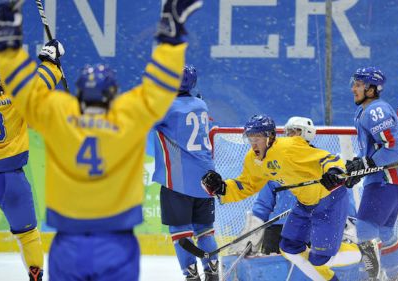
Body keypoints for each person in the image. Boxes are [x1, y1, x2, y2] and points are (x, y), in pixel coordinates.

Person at [0, 0, 202, 279]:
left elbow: (23, 88)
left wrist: (8, 44)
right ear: (114, 92)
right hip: (117, 242)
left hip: (69, 242)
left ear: (80, 93)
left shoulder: (58, 114)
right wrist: (171, 39)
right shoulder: (127, 115)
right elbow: (161, 85)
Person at [201, 114, 360, 281]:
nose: (253, 143)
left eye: (258, 138)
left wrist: (334, 171)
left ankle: (362, 251)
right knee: (289, 247)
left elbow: (328, 158)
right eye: (250, 138)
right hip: (306, 204)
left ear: (270, 137)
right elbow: (247, 184)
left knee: (321, 258)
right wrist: (222, 188)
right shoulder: (253, 159)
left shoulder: (289, 147)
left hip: (329, 200)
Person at [346, 67, 398, 281]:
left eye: (358, 85)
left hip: (388, 178)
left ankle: (370, 275)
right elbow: (373, 149)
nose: (353, 89)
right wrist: (360, 166)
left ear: (371, 88)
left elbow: (394, 148)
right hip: (391, 178)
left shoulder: (377, 111)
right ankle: (396, 275)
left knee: (364, 228)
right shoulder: (365, 110)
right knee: (384, 230)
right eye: (354, 84)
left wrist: (367, 163)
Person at [152, 65, 219, 281]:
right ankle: (213, 271)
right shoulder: (201, 104)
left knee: (180, 231)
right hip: (207, 179)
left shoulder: (165, 107)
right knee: (205, 230)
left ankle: (191, 275)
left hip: (178, 182)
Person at [230, 116, 316, 255]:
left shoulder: (318, 161)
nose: (291, 135)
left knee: (309, 271)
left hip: (309, 226)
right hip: (277, 228)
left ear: (308, 133)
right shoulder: (274, 163)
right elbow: (263, 204)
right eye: (288, 131)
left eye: (296, 131)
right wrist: (254, 229)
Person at [0, 73, 44, 281]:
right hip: (11, 178)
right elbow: (42, 82)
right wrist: (52, 63)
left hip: (11, 177)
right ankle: (36, 275)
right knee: (28, 235)